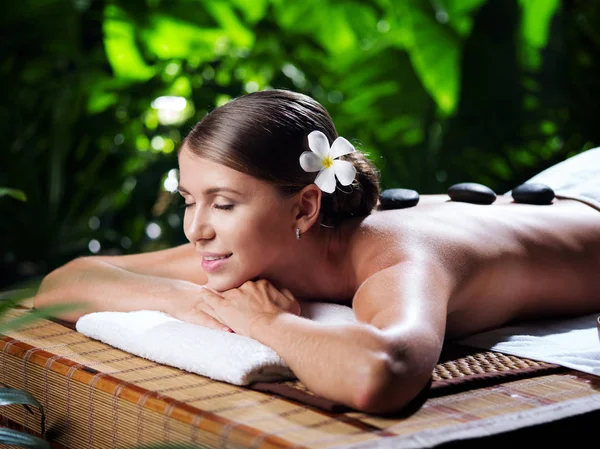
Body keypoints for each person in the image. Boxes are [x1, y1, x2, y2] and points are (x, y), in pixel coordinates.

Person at [33, 89, 600, 415]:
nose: (197, 230)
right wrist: (191, 302)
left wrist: (267, 321)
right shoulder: (250, 249)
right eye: (188, 200)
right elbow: (63, 284)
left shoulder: (398, 261)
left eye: (224, 204)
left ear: (305, 208)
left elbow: (382, 373)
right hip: (520, 204)